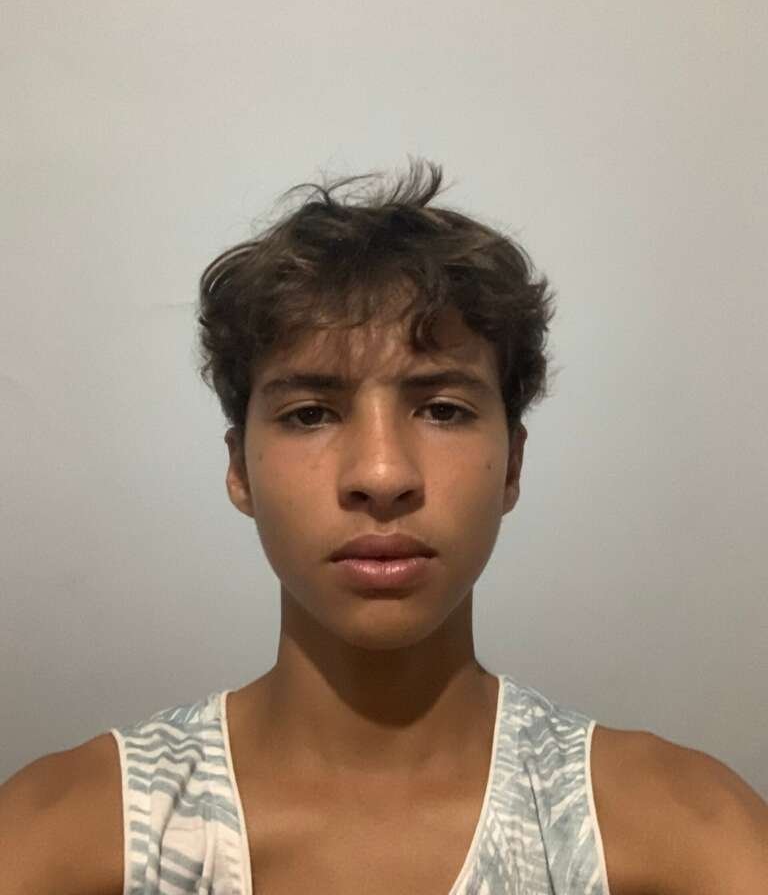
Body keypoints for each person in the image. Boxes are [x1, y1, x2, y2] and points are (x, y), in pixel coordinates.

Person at [1, 158, 766, 894]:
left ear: (511, 465)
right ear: (240, 469)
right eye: (310, 414)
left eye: (443, 410)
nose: (381, 473)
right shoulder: (73, 837)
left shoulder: (679, 835)